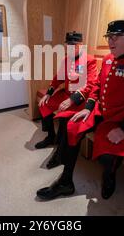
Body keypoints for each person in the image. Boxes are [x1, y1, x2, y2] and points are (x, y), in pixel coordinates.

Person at [36, 20, 124, 200]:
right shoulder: (107, 59)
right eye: (109, 37)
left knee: (107, 156)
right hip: (100, 110)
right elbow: (97, 85)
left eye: (116, 37)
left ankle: (109, 175)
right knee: (73, 125)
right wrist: (88, 108)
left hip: (123, 117)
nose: (111, 41)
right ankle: (66, 182)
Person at [36, 32, 98, 169]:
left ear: (80, 45)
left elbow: (91, 84)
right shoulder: (66, 60)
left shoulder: (89, 60)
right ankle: (50, 136)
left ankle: (60, 154)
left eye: (73, 45)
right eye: (68, 44)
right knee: (44, 104)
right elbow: (58, 78)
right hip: (65, 93)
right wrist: (49, 93)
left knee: (64, 118)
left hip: (79, 98)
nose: (69, 47)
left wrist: (73, 99)